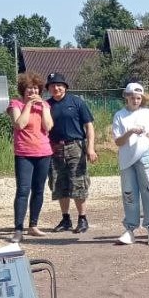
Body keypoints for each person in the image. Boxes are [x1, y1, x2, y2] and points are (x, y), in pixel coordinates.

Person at [112, 83, 149, 245]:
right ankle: (130, 229)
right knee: (129, 194)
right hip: (126, 160)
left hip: (145, 156)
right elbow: (118, 141)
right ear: (126, 97)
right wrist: (130, 132)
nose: (135, 101)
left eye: (138, 98)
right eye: (132, 98)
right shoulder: (119, 115)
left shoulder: (147, 113)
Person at [46, 72, 96, 233]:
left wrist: (90, 148)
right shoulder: (46, 106)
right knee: (59, 182)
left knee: (78, 181)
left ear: (65, 87)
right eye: (52, 86)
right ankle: (65, 219)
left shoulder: (76, 102)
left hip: (75, 146)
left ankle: (82, 219)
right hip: (54, 148)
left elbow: (89, 126)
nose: (56, 88)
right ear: (48, 89)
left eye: (59, 85)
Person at [7, 71, 53, 242]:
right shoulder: (16, 104)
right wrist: (28, 106)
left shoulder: (45, 105)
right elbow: (20, 124)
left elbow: (48, 126)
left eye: (35, 89)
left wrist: (43, 108)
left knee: (39, 190)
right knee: (23, 190)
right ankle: (18, 229)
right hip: (24, 154)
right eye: (29, 89)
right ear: (23, 90)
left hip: (44, 152)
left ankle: (33, 225)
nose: (33, 92)